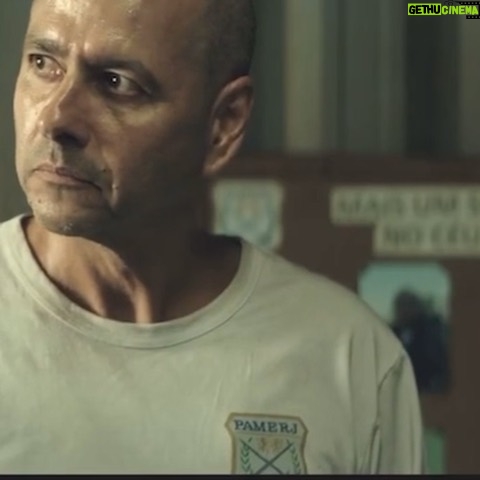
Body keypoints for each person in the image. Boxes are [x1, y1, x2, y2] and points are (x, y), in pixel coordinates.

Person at [0, 0, 424, 474]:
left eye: (117, 83)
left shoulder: (349, 359)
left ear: (224, 123)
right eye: (43, 63)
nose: (56, 119)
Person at [392, 289, 449, 393]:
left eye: (408, 305)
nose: (403, 310)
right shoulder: (391, 333)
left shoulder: (431, 331)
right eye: (400, 306)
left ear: (417, 307)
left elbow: (437, 364)